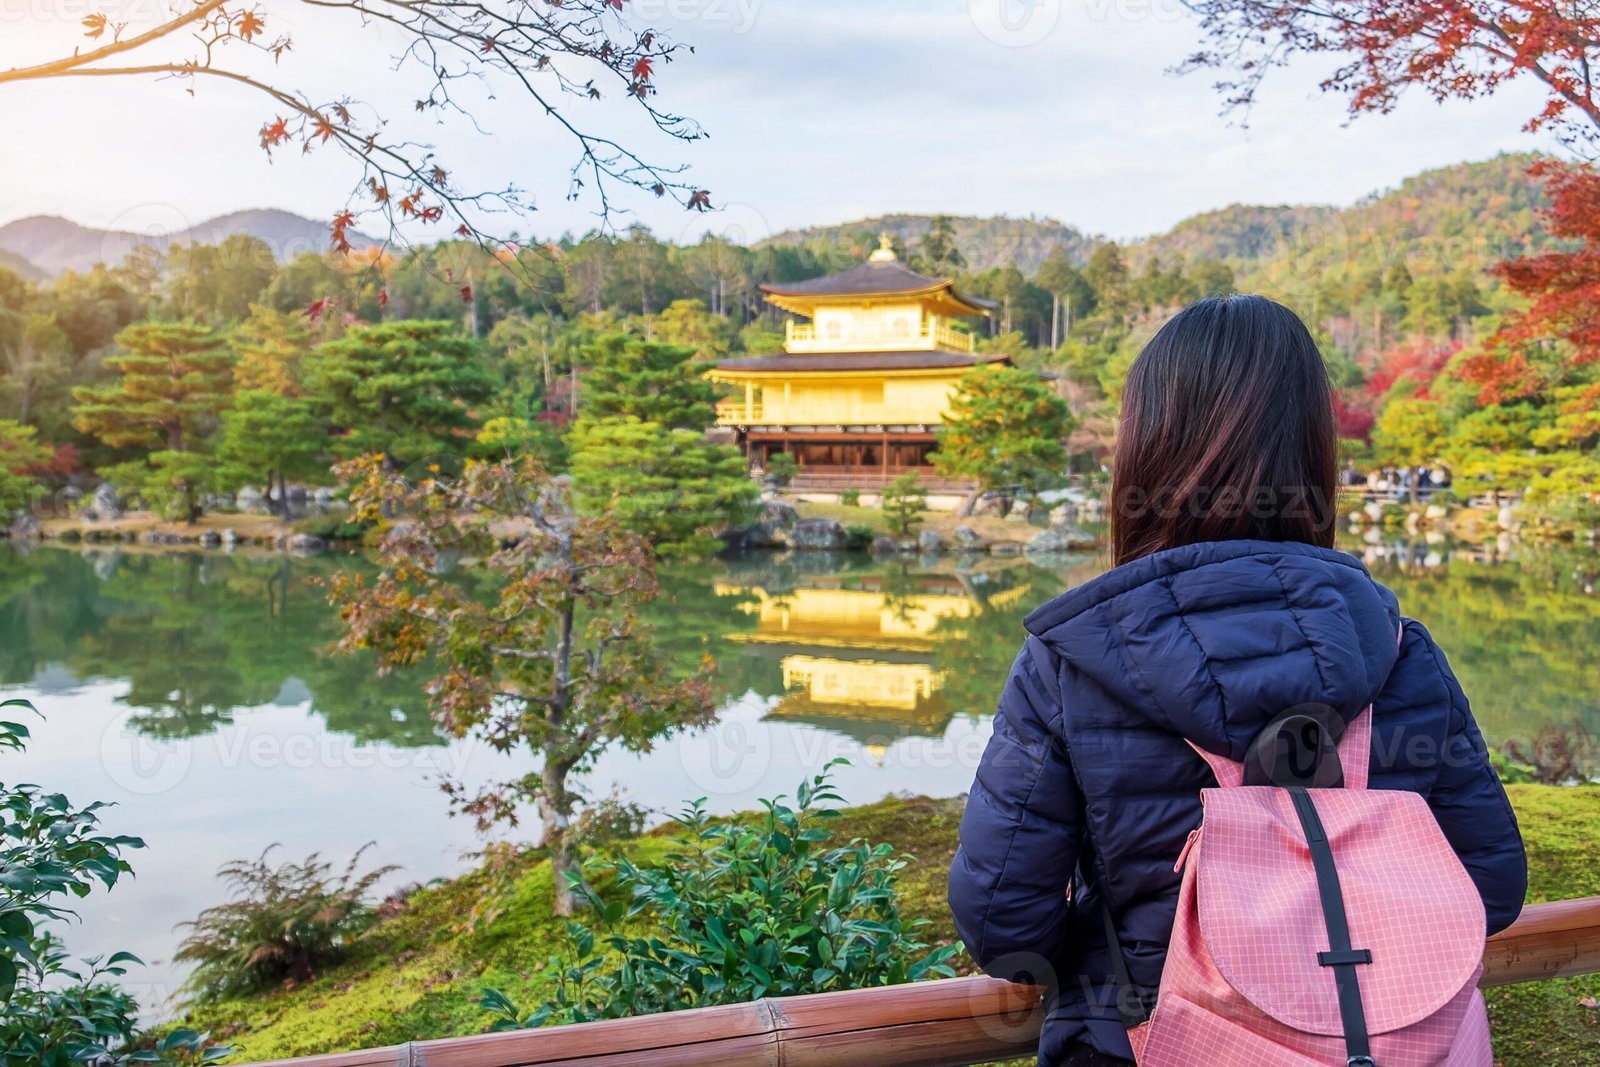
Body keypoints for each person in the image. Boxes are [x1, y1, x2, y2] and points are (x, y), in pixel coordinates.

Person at [946, 295, 1527, 1067]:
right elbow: (1490, 884)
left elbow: (1004, 922)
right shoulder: (1398, 650)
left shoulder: (1071, 662)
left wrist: (1140, 940)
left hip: (1145, 1039)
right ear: (1314, 452)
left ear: (1144, 446)